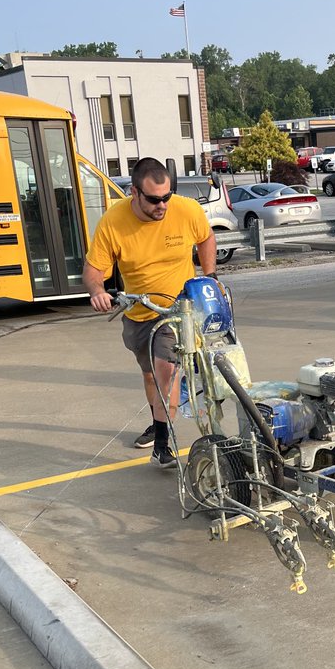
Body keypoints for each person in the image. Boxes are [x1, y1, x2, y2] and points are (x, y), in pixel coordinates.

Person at [83, 157, 216, 468]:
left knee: (165, 372)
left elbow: (206, 237)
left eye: (166, 197)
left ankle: (162, 444)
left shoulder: (185, 209)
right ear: (134, 192)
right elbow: (93, 269)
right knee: (149, 374)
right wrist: (98, 291)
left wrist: (210, 276)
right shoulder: (113, 222)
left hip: (177, 309)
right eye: (155, 199)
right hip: (138, 311)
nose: (163, 205)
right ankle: (159, 423)